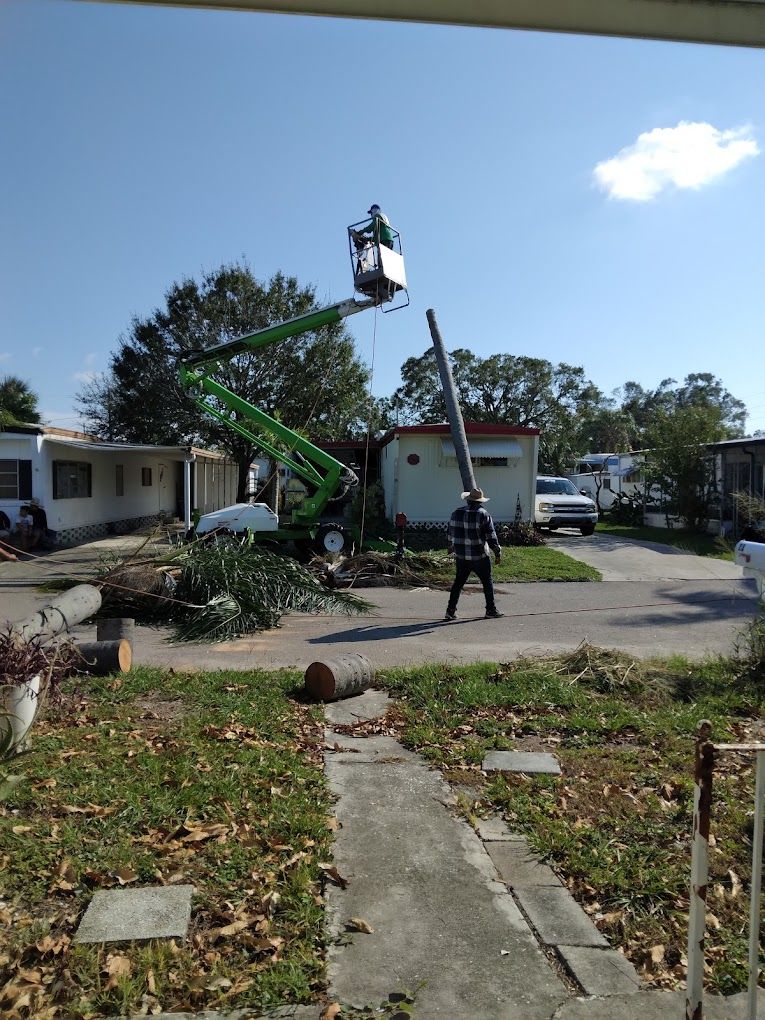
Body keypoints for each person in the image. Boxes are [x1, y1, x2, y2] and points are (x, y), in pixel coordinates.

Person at [444, 486, 504, 621]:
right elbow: (491, 537)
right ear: (480, 501)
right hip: (479, 555)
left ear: (468, 500)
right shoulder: (483, 514)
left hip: (461, 555)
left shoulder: (456, 513)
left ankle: (450, 611)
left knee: (458, 583)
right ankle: (491, 610)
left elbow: (449, 533)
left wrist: (450, 547)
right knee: (487, 582)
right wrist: (497, 553)